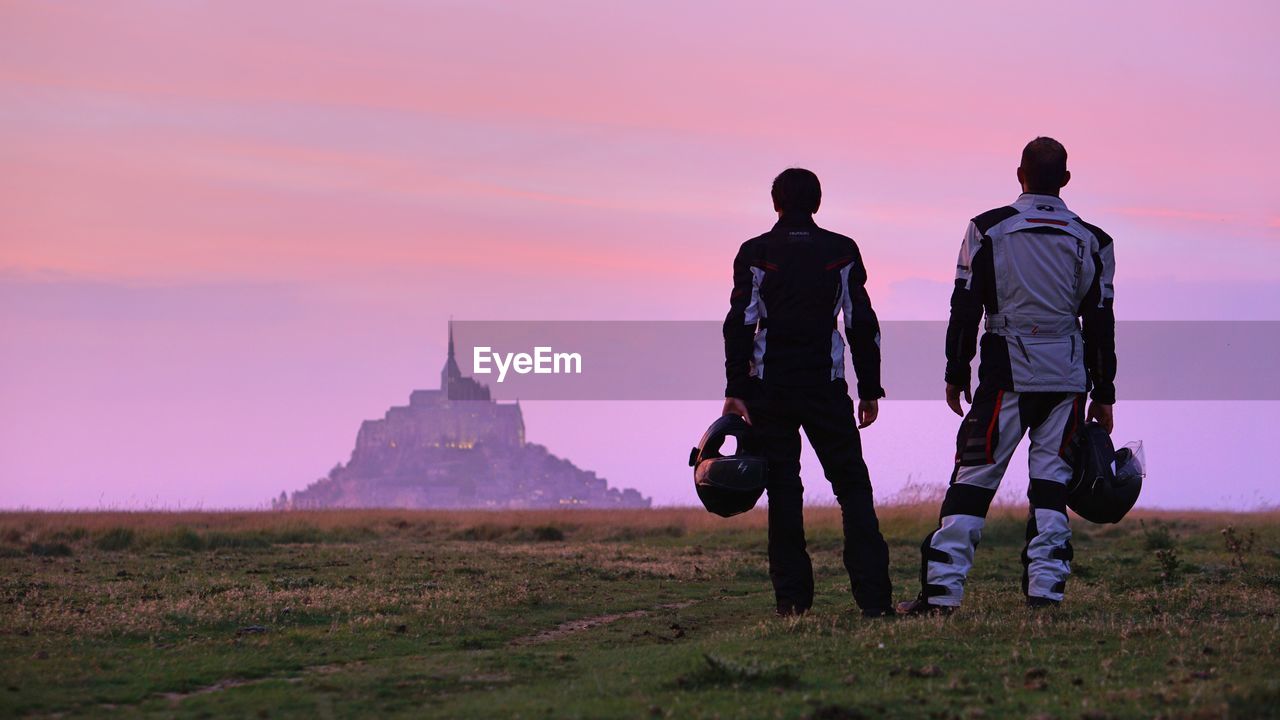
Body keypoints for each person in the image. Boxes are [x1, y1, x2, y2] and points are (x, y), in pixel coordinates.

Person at [898, 137, 1117, 615]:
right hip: (1068, 376)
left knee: (974, 478)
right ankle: (1046, 594)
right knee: (1052, 484)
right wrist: (1105, 392)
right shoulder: (1094, 239)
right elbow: (1100, 321)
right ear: (1065, 179)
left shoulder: (987, 229)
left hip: (1004, 371)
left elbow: (964, 306)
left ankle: (941, 595)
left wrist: (956, 371)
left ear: (1019, 174)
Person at [722, 168, 893, 618]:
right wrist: (870, 388)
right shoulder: (841, 250)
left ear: (775, 202)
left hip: (769, 390)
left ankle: (793, 604)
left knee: (783, 492)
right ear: (817, 203)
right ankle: (875, 601)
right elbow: (860, 323)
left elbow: (740, 322)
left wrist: (735, 389)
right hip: (827, 387)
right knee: (853, 488)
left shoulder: (755, 252)